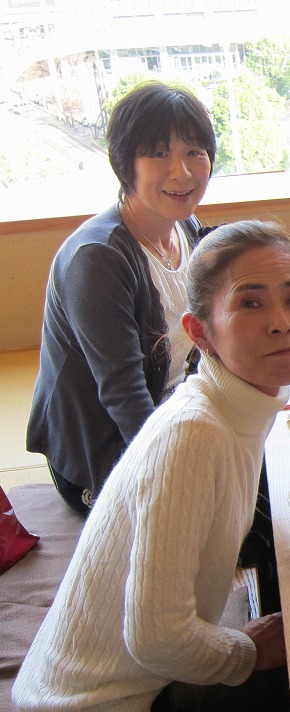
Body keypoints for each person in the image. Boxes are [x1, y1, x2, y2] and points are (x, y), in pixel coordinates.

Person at [13, 220, 290, 712]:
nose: (281, 322)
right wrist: (245, 651)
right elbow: (156, 637)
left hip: (105, 692)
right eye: (250, 303)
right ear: (200, 332)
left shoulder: (233, 404)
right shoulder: (194, 433)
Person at [27, 81, 216, 516]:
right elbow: (125, 396)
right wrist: (175, 477)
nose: (182, 172)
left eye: (194, 151)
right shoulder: (98, 259)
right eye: (158, 153)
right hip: (105, 450)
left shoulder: (185, 229)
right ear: (125, 163)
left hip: (172, 411)